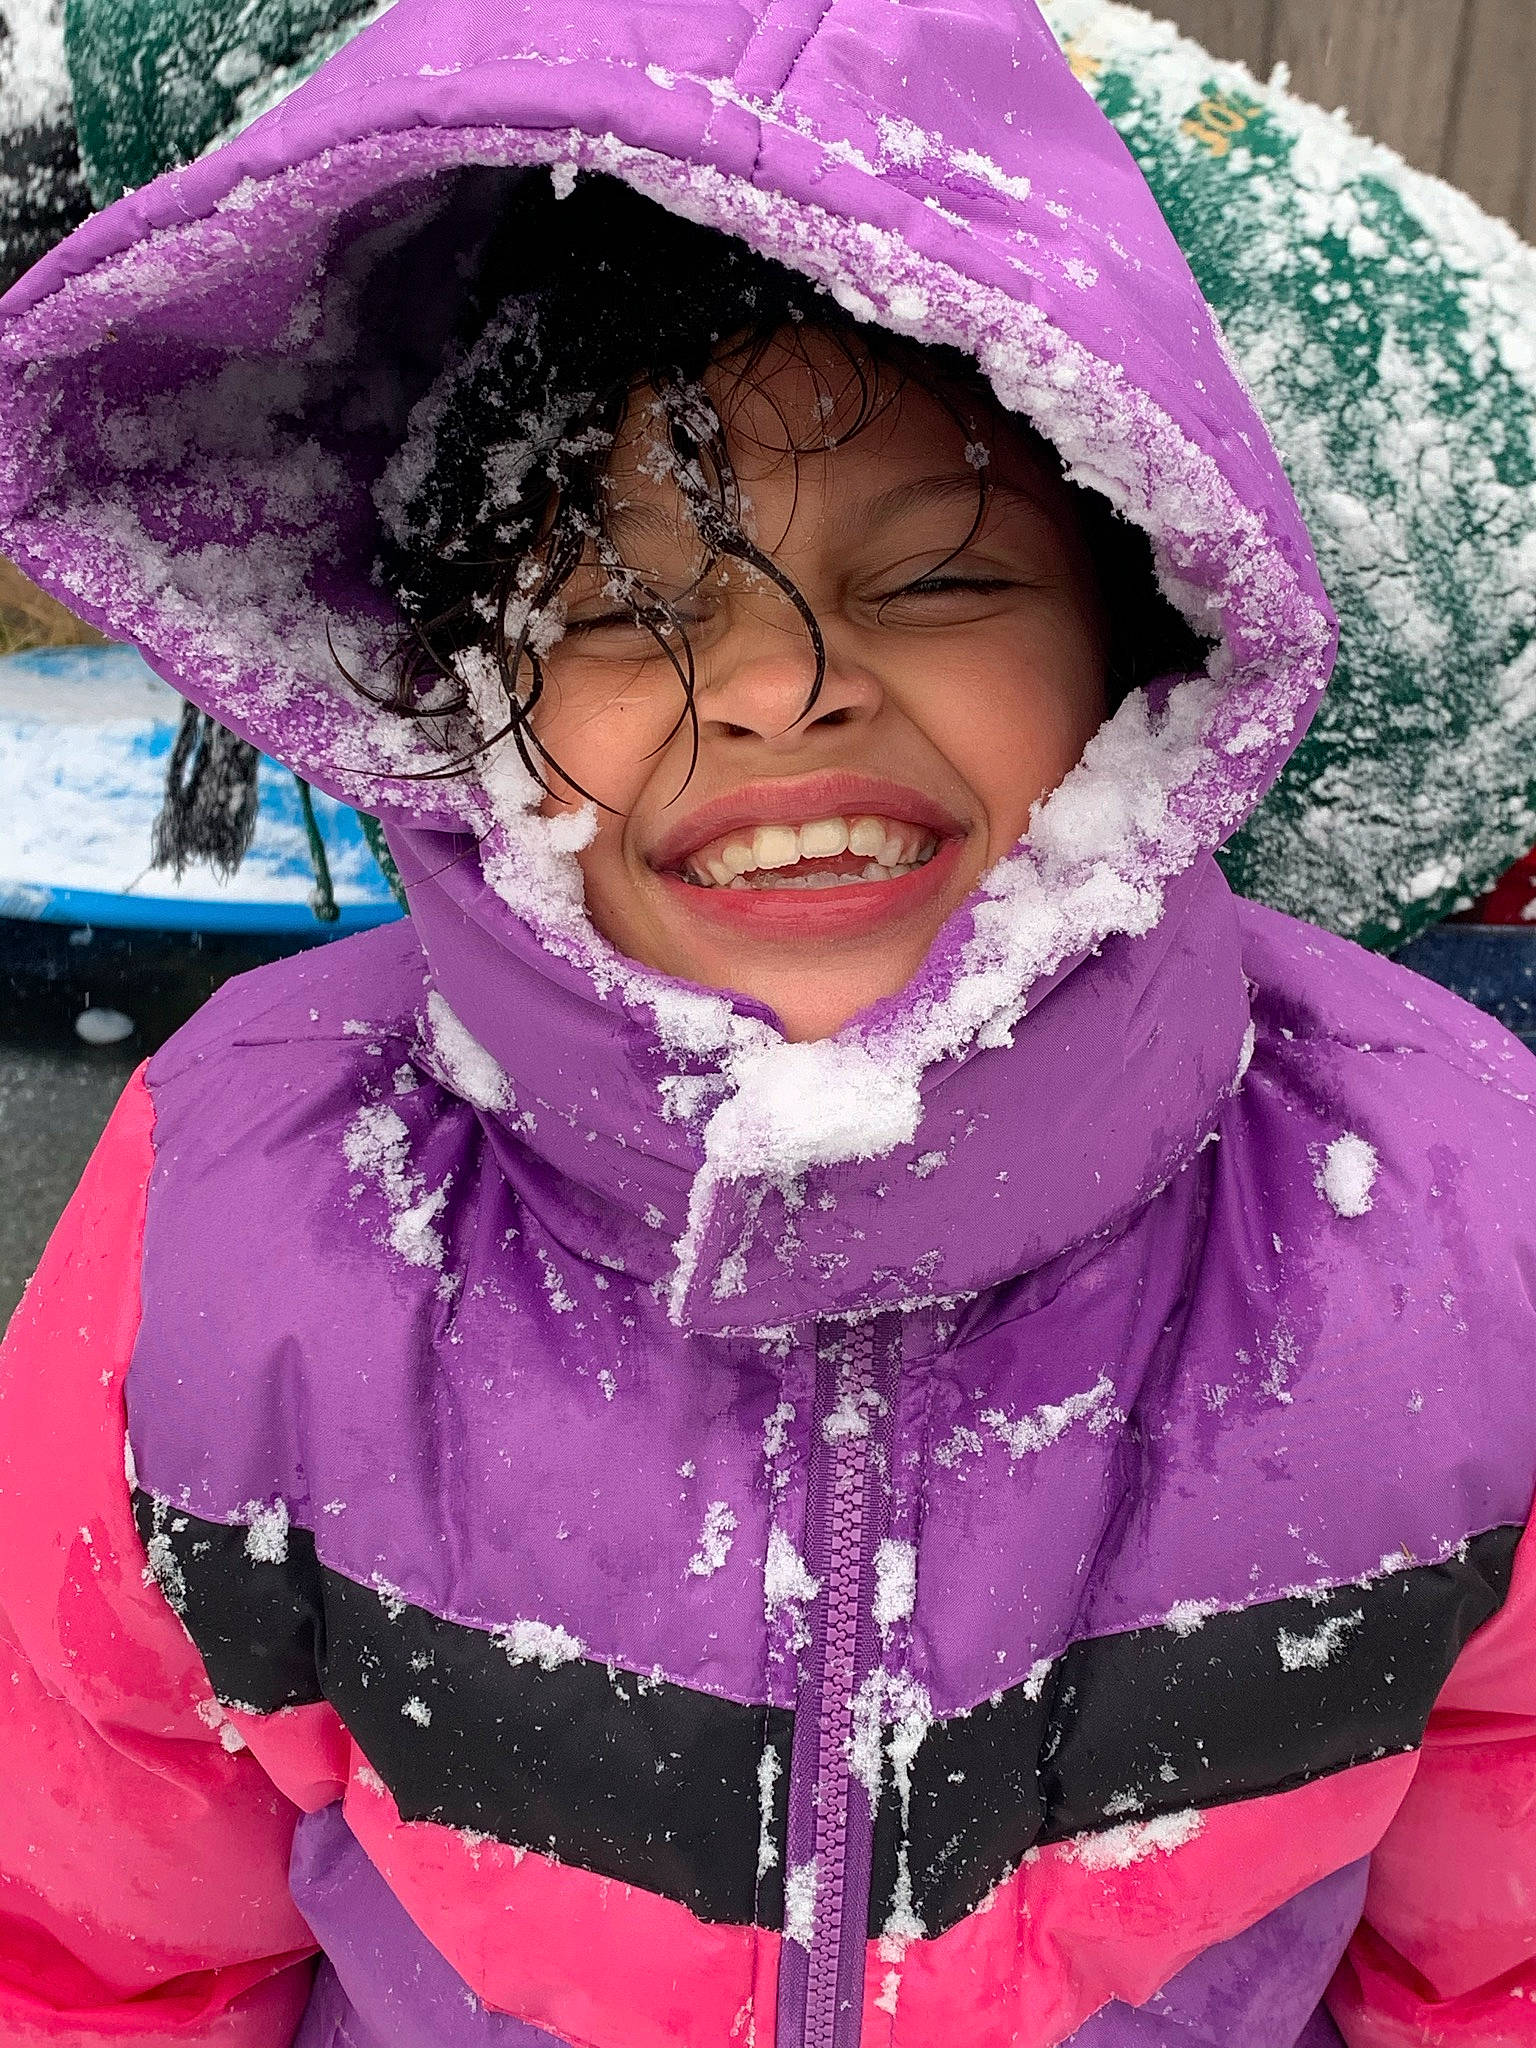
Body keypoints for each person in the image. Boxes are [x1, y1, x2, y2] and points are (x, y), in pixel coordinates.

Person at [0, 4, 1533, 2046]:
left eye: (939, 577)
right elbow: (100, 1945)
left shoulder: (1445, 1214)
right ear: (472, 693)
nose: (775, 691)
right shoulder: (243, 1207)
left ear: (1139, 622)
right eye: (625, 614)